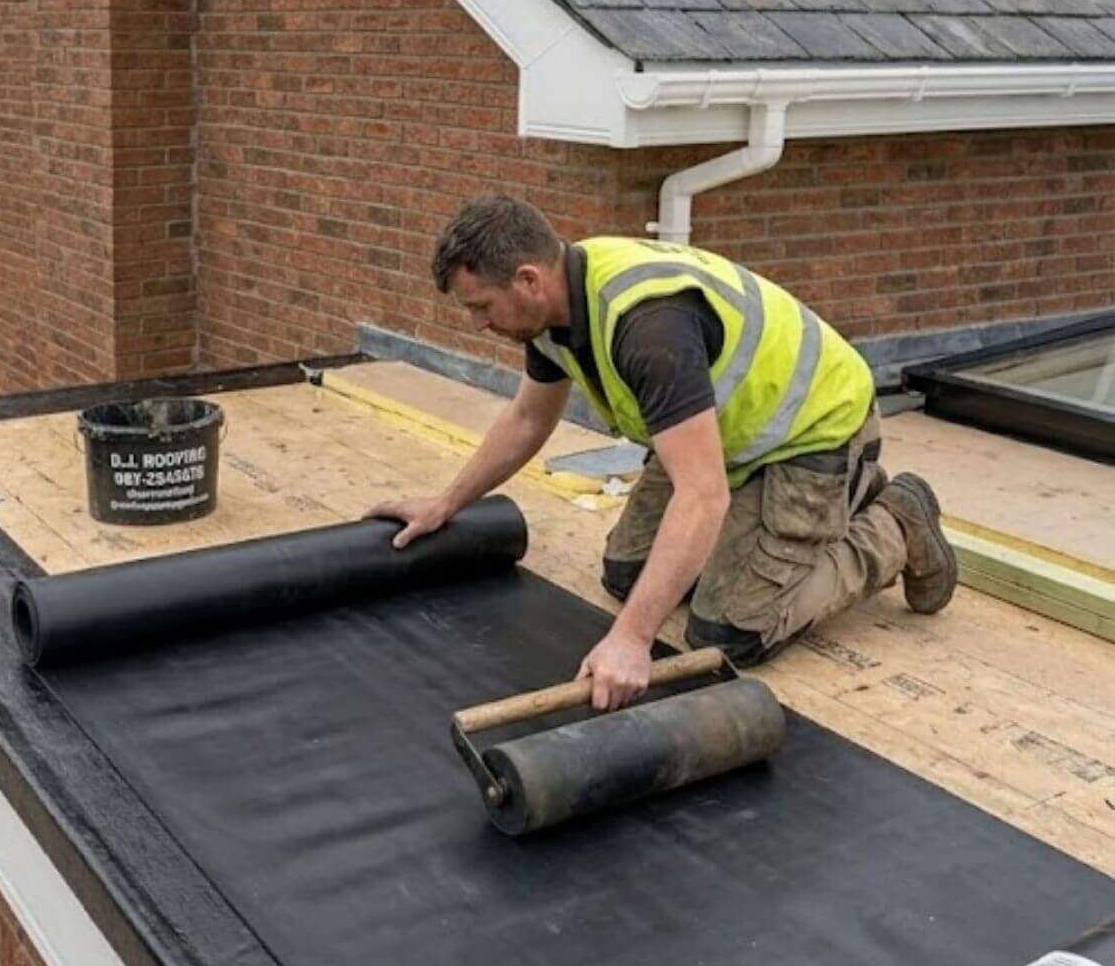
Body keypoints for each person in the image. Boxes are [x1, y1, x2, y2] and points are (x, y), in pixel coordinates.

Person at [376, 194, 955, 711]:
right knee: (627, 577)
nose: (478, 324)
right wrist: (445, 504)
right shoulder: (554, 309)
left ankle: (893, 523)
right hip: (724, 442)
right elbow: (528, 418)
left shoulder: (648, 325)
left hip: (812, 434)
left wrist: (631, 640)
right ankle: (777, 526)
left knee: (728, 632)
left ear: (528, 280)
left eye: (481, 306)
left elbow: (702, 495)